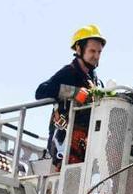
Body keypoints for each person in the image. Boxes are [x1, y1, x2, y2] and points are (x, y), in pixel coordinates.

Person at [35, 24, 105, 168]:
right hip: (63, 144)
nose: (96, 56)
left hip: (85, 144)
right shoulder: (68, 73)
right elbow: (41, 91)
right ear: (79, 49)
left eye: (99, 52)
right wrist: (74, 93)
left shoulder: (95, 80)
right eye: (92, 51)